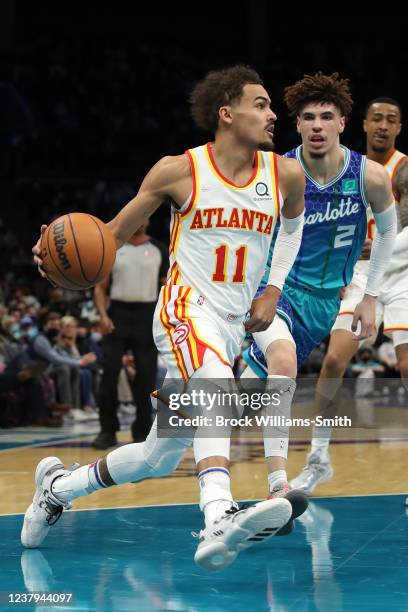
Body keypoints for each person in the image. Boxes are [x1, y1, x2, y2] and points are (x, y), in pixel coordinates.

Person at [22, 65, 306, 571]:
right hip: (184, 309)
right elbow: (107, 235)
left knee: (159, 456)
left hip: (232, 321)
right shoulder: (179, 171)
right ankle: (218, 512)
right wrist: (52, 249)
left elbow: (293, 226)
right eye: (260, 104)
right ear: (226, 112)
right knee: (217, 384)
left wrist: (275, 287)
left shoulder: (284, 174)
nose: (272, 114)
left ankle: (58, 488)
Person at [240, 75, 397, 503]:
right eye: (308, 117)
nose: (317, 125)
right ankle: (277, 485)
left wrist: (370, 296)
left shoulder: (370, 175)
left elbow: (387, 231)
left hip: (335, 296)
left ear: (343, 123)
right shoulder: (279, 172)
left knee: (322, 366)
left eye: (326, 117)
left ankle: (317, 455)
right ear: (297, 125)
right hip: (283, 289)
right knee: (274, 370)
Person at [290, 97, 408, 494]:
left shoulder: (403, 169)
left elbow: (395, 230)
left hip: (403, 273)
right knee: (336, 358)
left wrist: (373, 249)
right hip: (360, 276)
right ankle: (318, 459)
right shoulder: (347, 167)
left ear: (399, 128)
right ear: (361, 123)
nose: (383, 126)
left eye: (391, 120)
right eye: (377, 118)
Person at [92, 221, 168, 449]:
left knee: (146, 375)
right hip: (118, 314)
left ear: (148, 219)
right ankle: (107, 430)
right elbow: (100, 287)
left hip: (147, 315)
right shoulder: (114, 248)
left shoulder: (159, 249)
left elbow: (166, 287)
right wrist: (103, 315)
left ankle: (142, 430)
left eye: (146, 217)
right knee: (110, 372)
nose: (141, 221)